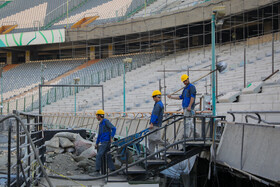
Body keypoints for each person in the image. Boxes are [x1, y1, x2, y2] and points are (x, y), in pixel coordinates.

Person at [89, 109, 116, 177]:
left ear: (99, 116)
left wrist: (111, 137)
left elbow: (114, 128)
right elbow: (100, 134)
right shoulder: (101, 124)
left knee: (98, 155)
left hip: (106, 142)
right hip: (103, 141)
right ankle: (113, 171)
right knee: (108, 156)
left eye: (97, 116)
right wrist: (97, 143)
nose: (96, 117)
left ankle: (97, 171)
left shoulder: (105, 121)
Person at [148, 90, 165, 159]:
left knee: (153, 138)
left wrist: (152, 123)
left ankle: (166, 144)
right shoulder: (158, 104)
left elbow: (155, 115)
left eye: (153, 97)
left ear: (156, 97)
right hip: (156, 124)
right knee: (151, 140)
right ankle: (151, 156)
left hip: (155, 124)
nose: (153, 99)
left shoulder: (158, 105)